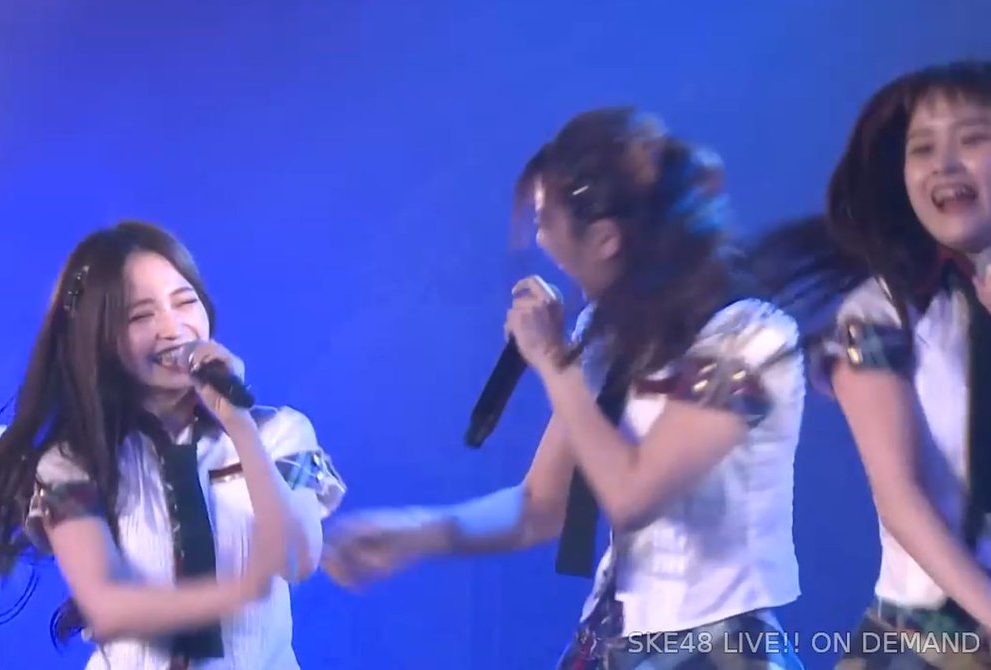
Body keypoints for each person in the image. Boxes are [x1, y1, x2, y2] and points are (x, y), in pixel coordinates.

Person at [323, 107, 806, 668]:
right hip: (613, 639)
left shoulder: (748, 339)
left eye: (543, 220)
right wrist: (416, 534)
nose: (539, 240)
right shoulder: (610, 333)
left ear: (604, 238)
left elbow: (631, 495)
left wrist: (554, 362)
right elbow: (539, 506)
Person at [0, 221, 345, 670]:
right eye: (140, 316)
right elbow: (107, 604)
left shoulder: (280, 432)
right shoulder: (72, 461)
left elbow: (296, 560)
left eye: (184, 302)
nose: (172, 328)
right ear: (100, 339)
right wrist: (239, 592)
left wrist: (238, 423)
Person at [751, 60, 991, 668]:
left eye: (972, 139)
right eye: (922, 148)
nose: (944, 164)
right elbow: (900, 497)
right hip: (929, 637)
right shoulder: (882, 312)